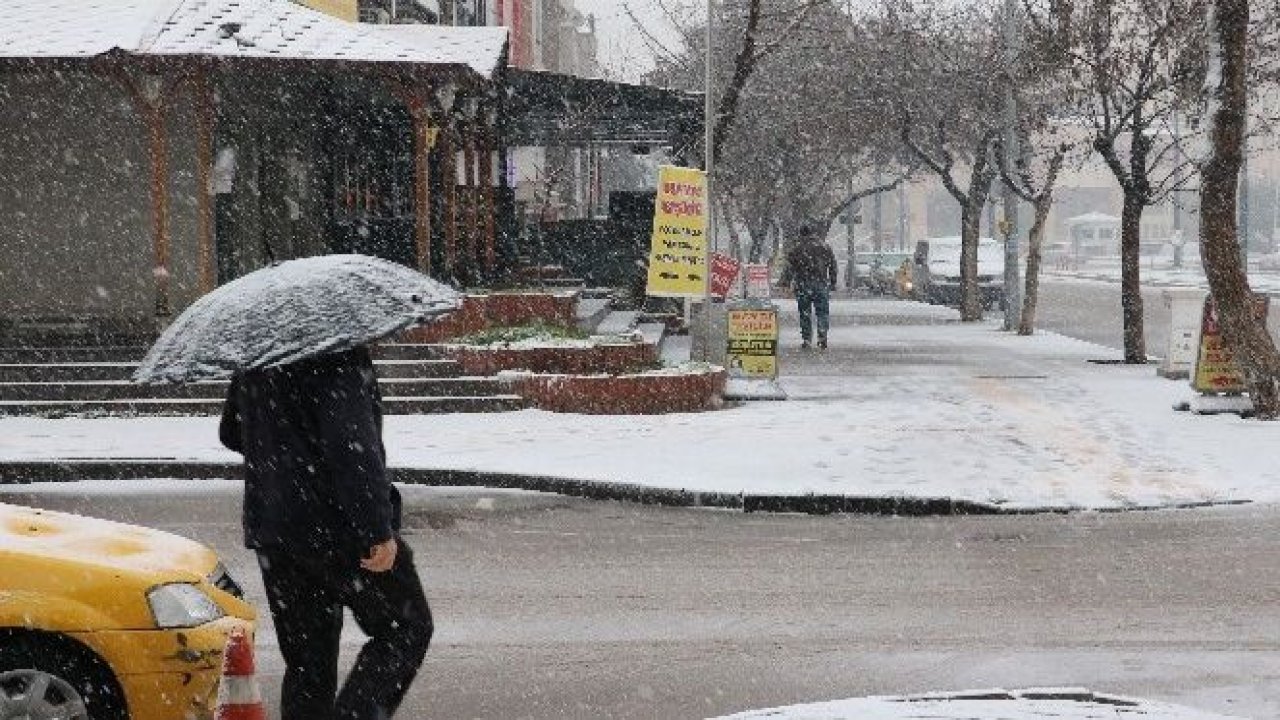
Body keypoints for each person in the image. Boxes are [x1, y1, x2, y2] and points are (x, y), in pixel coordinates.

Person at [219, 346, 432, 720]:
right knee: (405, 629)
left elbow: (231, 431)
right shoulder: (337, 352)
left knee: (307, 663)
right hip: (337, 528)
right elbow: (351, 446)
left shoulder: (260, 351)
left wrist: (283, 448)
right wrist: (376, 529)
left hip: (275, 530)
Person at [778, 222, 839, 349]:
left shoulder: (797, 248)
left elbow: (789, 267)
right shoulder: (825, 247)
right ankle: (822, 334)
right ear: (814, 233)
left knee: (804, 312)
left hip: (803, 284)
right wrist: (833, 282)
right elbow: (833, 265)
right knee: (822, 312)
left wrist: (785, 282)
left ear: (801, 233)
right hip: (821, 284)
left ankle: (807, 338)